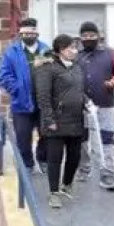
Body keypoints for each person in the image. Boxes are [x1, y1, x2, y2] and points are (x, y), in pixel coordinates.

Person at [35, 34, 86, 209]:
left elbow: (79, 91)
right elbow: (43, 96)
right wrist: (49, 119)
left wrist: (87, 103)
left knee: (74, 157)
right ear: (60, 50)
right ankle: (54, 192)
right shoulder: (48, 68)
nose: (74, 51)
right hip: (56, 121)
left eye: (75, 47)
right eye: (70, 48)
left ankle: (67, 184)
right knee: (55, 159)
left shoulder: (77, 68)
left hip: (76, 120)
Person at [75, 21, 114, 191]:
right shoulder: (76, 56)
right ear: (80, 38)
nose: (88, 38)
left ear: (98, 36)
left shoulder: (110, 54)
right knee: (81, 139)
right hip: (80, 106)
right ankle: (84, 168)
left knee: (107, 139)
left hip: (105, 104)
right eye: (84, 36)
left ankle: (107, 175)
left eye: (92, 35)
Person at [0, 17, 52, 174]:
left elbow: (54, 72)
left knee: (47, 134)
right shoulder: (11, 52)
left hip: (43, 102)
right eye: (25, 33)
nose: (29, 36)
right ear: (21, 34)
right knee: (23, 137)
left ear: (37, 33)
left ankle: (42, 159)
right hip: (21, 102)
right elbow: (4, 76)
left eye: (32, 33)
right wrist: (18, 89)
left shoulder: (46, 50)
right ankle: (27, 164)